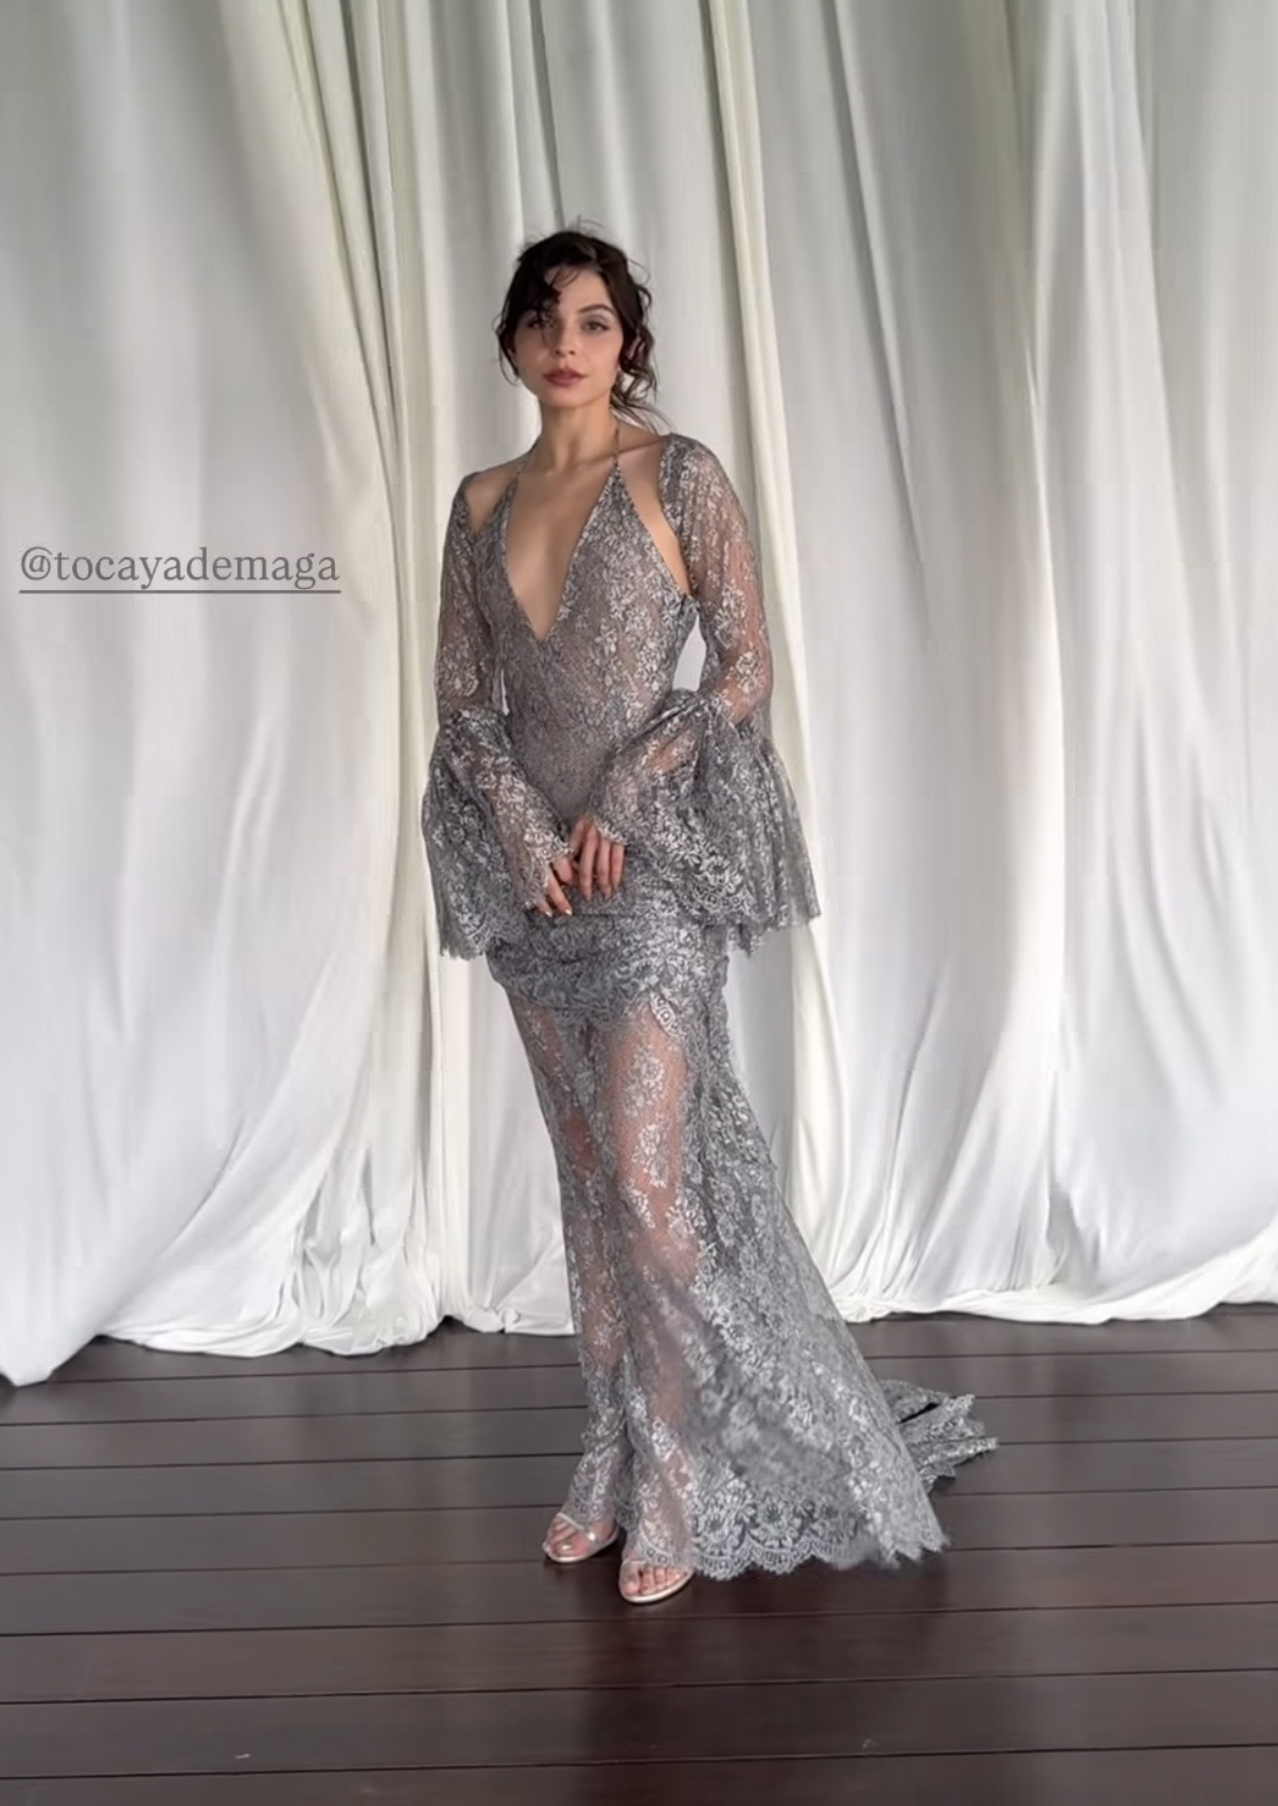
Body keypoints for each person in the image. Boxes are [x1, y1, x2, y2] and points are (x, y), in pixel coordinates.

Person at [421, 228, 994, 1606]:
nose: (568, 342)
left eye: (594, 320)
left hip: (649, 879)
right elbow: (460, 700)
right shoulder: (480, 501)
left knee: (649, 1182)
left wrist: (631, 783)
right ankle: (611, 1449)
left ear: (628, 341)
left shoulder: (677, 476)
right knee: (586, 1180)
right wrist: (520, 826)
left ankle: (679, 1468)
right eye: (544, 319)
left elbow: (745, 664)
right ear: (511, 344)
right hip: (536, 893)